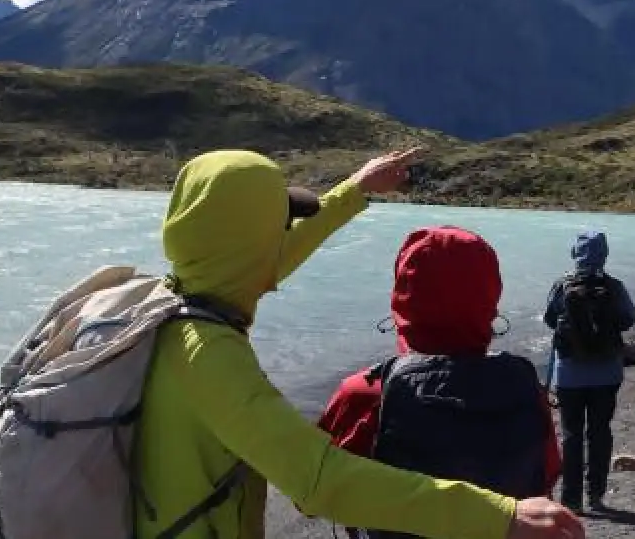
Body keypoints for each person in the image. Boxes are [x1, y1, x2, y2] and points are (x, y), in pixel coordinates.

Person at [135, 149, 585, 539]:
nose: (289, 238)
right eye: (282, 226)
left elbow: (270, 255)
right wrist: (497, 518)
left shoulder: (178, 296)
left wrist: (356, 188)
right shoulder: (208, 355)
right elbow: (318, 481)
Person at [317, 226, 562, 536]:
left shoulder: (366, 394)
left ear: (403, 298)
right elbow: (547, 476)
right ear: (490, 298)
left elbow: (313, 494)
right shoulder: (526, 389)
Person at [544, 230, 635, 512]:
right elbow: (629, 319)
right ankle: (596, 493)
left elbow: (550, 319)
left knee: (572, 434)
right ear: (604, 254)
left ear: (575, 254)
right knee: (600, 431)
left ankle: (572, 499)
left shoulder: (562, 285)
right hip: (607, 373)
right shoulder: (615, 286)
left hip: (570, 373)